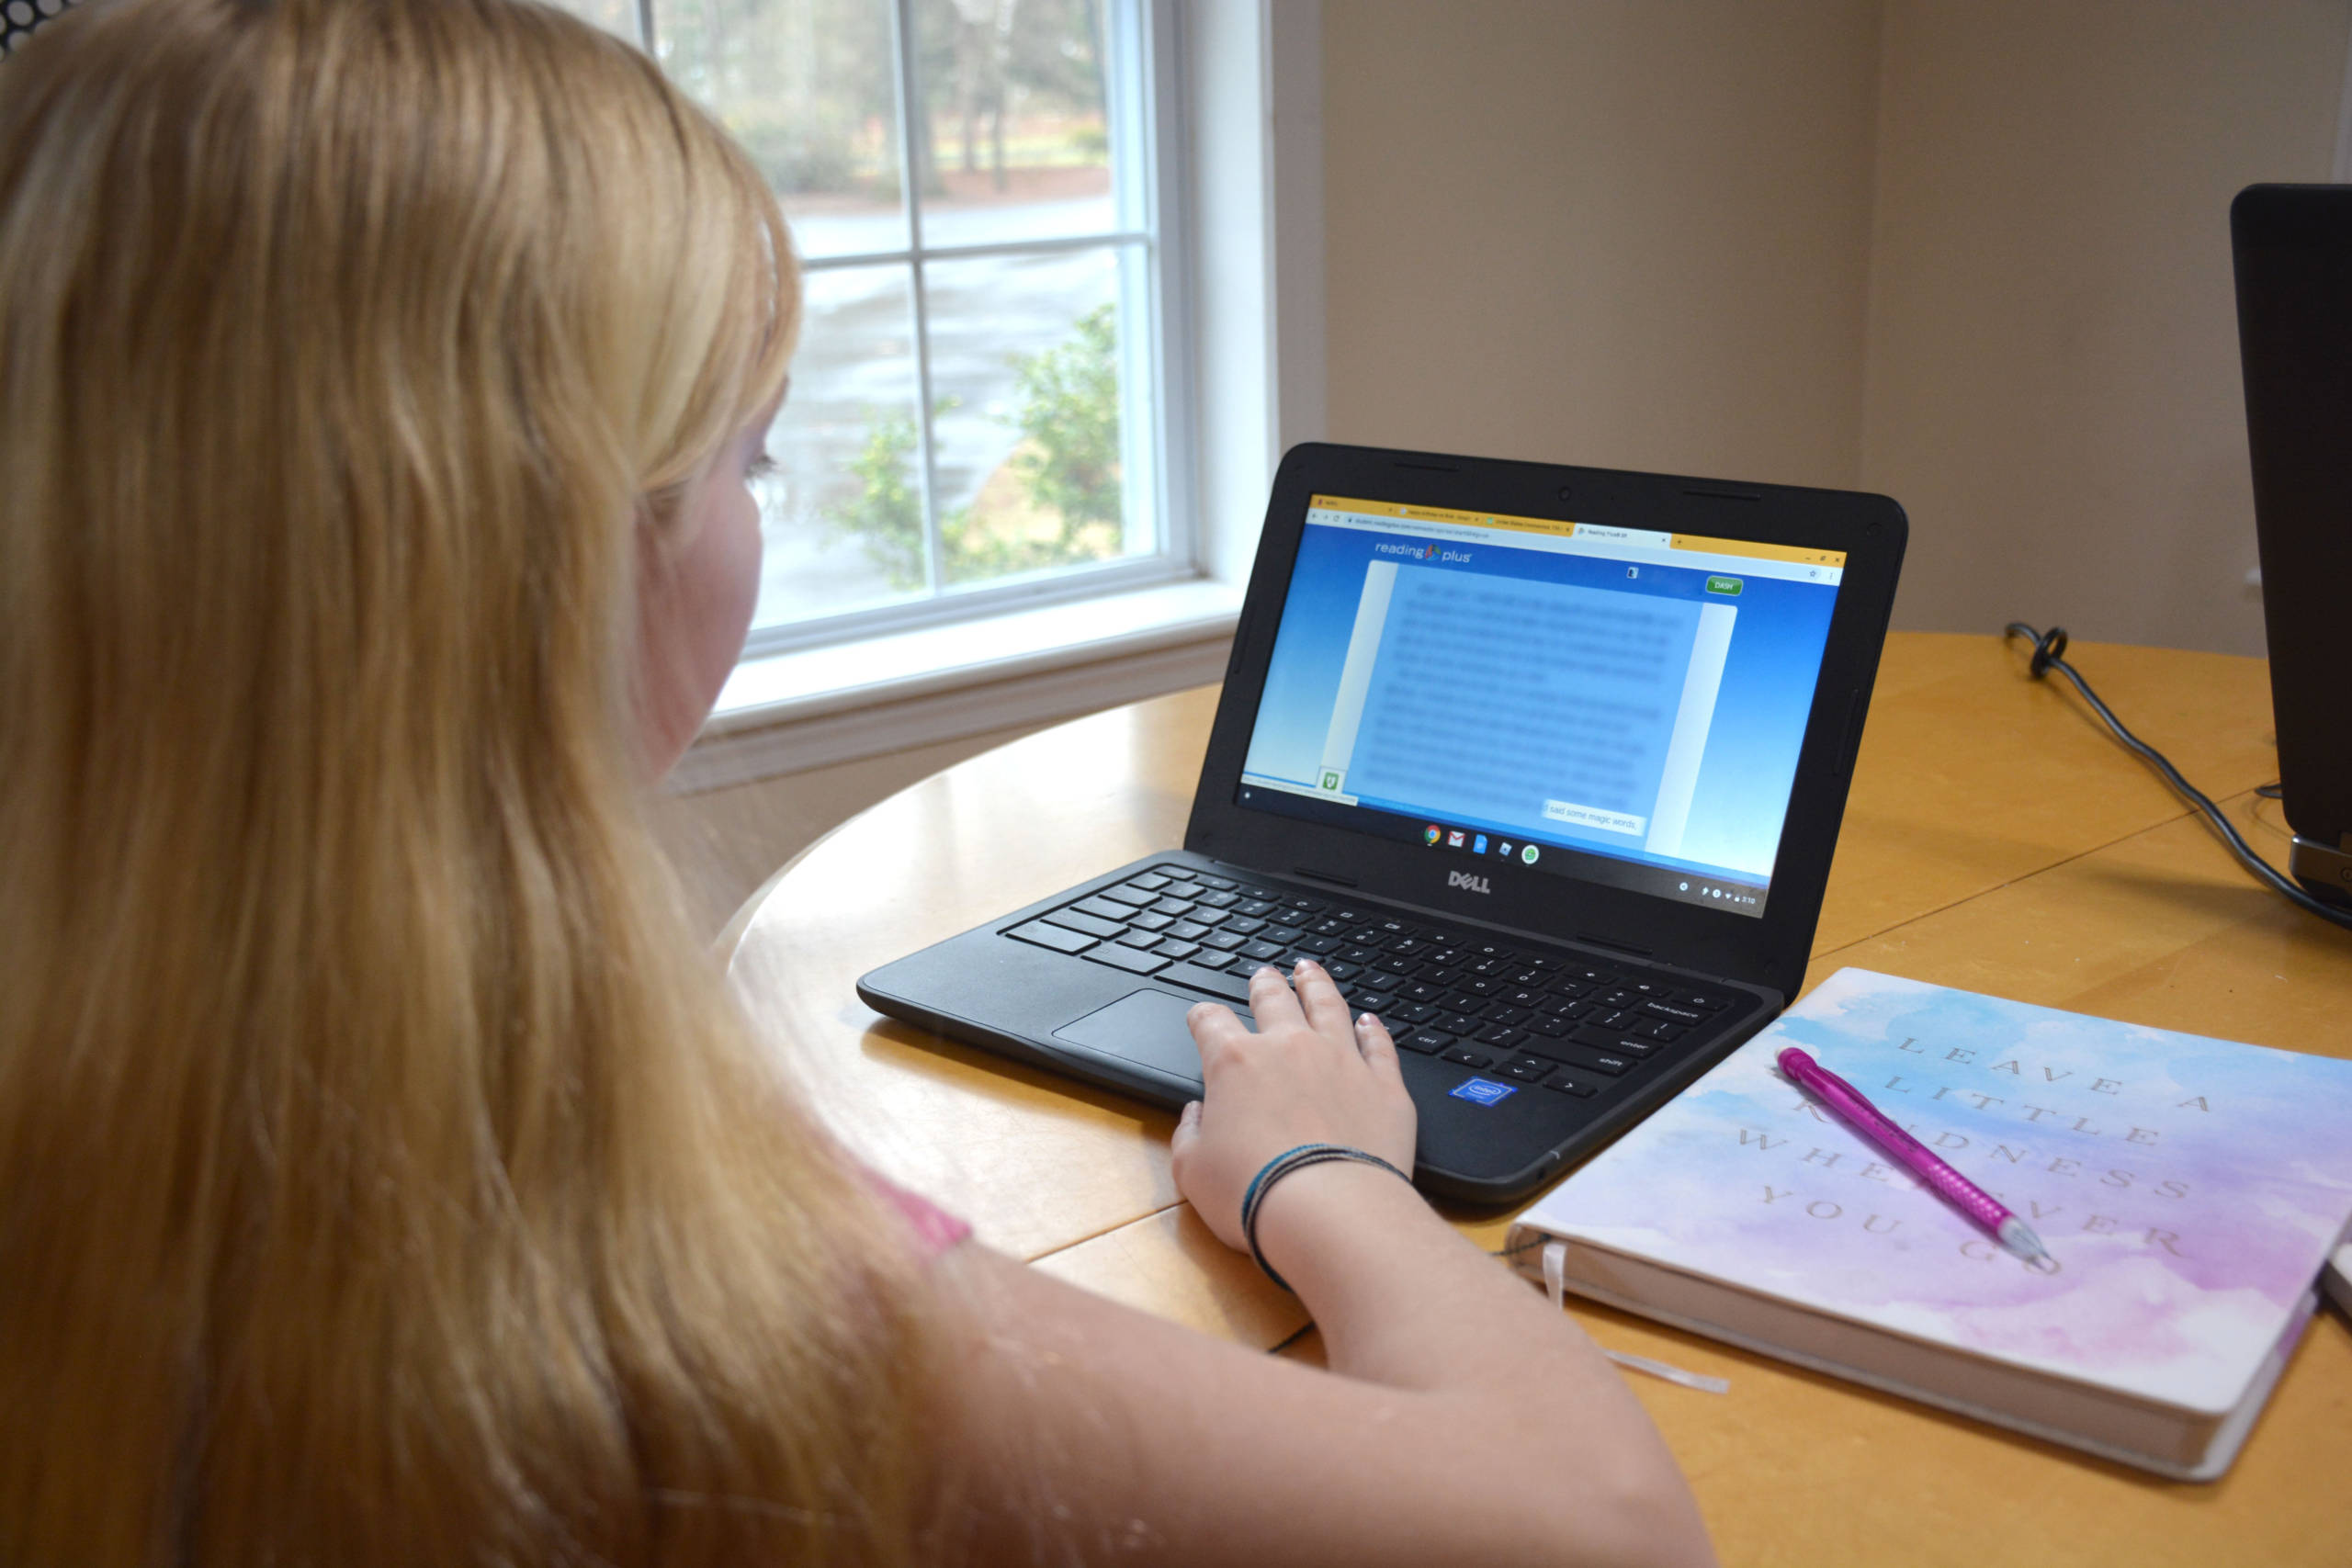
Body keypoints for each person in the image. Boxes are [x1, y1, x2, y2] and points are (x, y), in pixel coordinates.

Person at [0, 2, 1714, 1563]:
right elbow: (1605, 1531)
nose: (756, 514)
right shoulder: (594, 1253)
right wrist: (1322, 1173)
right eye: (744, 459)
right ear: (540, 562)